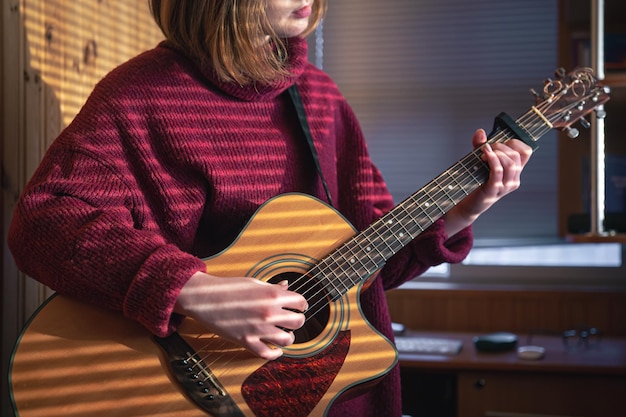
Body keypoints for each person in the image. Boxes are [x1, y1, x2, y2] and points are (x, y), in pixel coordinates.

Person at [8, 0, 532, 416]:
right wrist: (194, 292)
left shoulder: (322, 101)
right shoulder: (141, 95)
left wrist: (462, 210)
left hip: (338, 399)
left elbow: (371, 268)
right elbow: (42, 222)